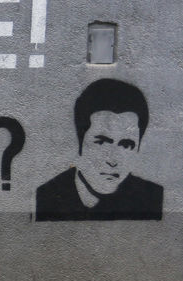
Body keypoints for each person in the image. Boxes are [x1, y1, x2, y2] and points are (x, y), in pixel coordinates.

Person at [34, 78, 163, 221]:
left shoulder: (152, 198)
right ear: (80, 141)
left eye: (126, 145)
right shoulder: (47, 197)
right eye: (101, 142)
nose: (113, 160)